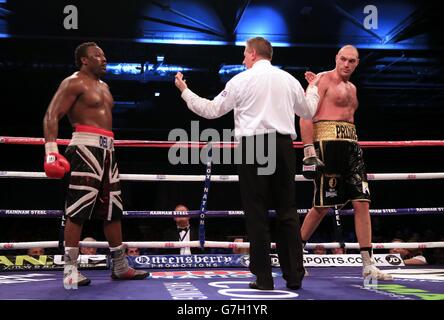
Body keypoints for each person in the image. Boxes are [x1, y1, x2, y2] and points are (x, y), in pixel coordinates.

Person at [175, 37, 320, 290]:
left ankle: (263, 278)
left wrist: (184, 90)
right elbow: (308, 111)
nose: (243, 59)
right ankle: (294, 276)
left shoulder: (241, 80)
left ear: (253, 53)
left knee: (256, 213)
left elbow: (210, 110)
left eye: (244, 54)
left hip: (253, 147)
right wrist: (314, 88)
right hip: (283, 147)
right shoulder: (288, 80)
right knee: (287, 211)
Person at [43, 42, 149, 287]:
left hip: (108, 150)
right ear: (84, 60)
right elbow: (51, 115)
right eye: (97, 56)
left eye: (104, 55)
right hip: (84, 148)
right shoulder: (73, 82)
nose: (104, 59)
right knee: (78, 209)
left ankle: (121, 266)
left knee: (113, 210)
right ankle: (70, 271)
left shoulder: (104, 86)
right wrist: (50, 151)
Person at [299, 45, 392, 280]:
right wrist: (308, 148)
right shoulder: (322, 80)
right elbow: (305, 114)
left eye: (352, 61)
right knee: (321, 206)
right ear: (336, 58)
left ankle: (368, 264)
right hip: (326, 145)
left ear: (357, 63)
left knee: (362, 202)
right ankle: (295, 252)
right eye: (343, 59)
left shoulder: (353, 88)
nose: (347, 64)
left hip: (351, 146)